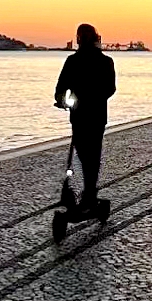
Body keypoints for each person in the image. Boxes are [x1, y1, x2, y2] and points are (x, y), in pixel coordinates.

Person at [54, 23, 116, 208]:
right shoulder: (79, 61)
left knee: (87, 153)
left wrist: (63, 98)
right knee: (89, 153)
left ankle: (89, 192)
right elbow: (61, 86)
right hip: (89, 115)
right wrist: (61, 99)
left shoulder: (98, 61)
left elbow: (109, 88)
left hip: (87, 114)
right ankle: (89, 190)